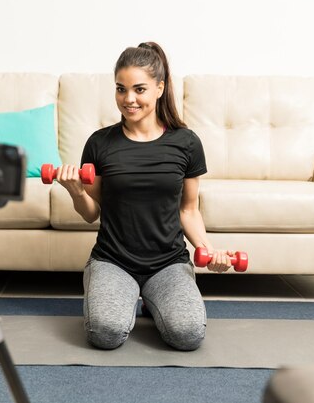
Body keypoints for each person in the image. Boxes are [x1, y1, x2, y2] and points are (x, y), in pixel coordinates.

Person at [55, 42, 234, 351]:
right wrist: (75, 190)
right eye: (120, 89)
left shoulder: (186, 142)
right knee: (105, 333)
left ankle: (154, 300)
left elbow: (189, 210)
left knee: (188, 335)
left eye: (139, 89)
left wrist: (209, 251)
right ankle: (123, 297)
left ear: (160, 88)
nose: (129, 99)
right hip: (113, 260)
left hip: (168, 262)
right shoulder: (100, 143)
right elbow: (91, 213)